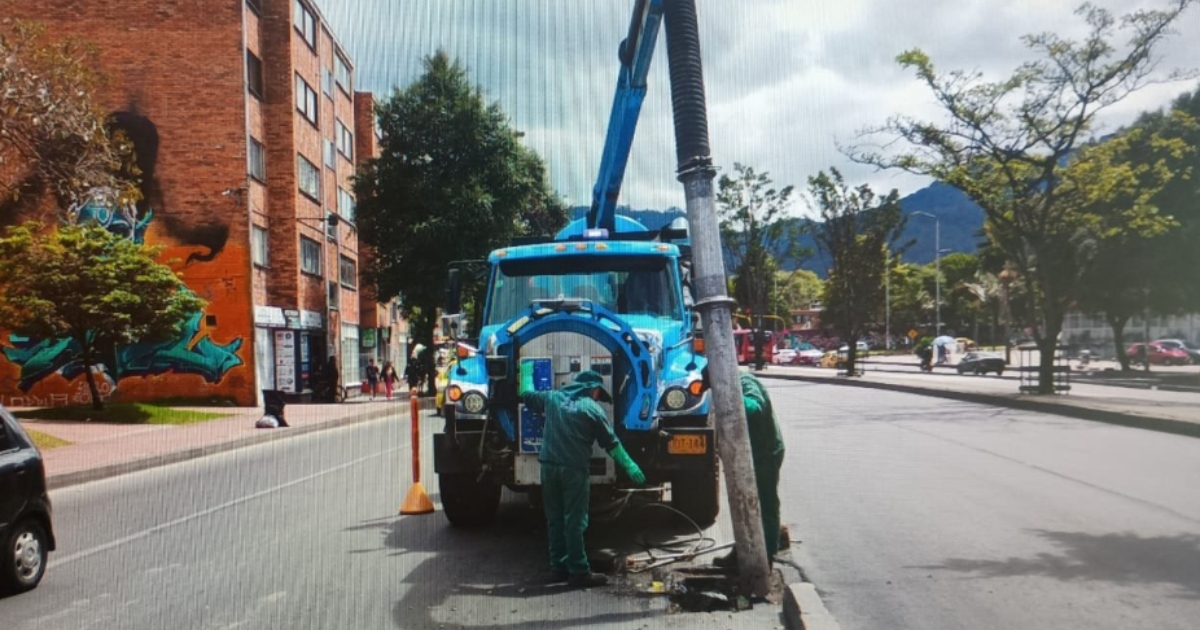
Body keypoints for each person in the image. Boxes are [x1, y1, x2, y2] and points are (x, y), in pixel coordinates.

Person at [518, 362, 645, 588]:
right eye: (598, 394)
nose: (598, 398)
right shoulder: (592, 409)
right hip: (573, 470)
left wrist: (526, 371)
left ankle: (558, 567)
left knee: (554, 519)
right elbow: (612, 444)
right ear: (593, 389)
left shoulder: (552, 398)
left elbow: (526, 394)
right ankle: (578, 571)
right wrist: (631, 466)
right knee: (575, 520)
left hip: (548, 467)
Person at [708, 368, 786, 568]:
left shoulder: (745, 382)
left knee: (764, 502)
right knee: (742, 503)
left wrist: (731, 399)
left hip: (765, 453)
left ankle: (766, 555)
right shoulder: (728, 385)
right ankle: (742, 550)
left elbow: (755, 406)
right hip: (745, 454)